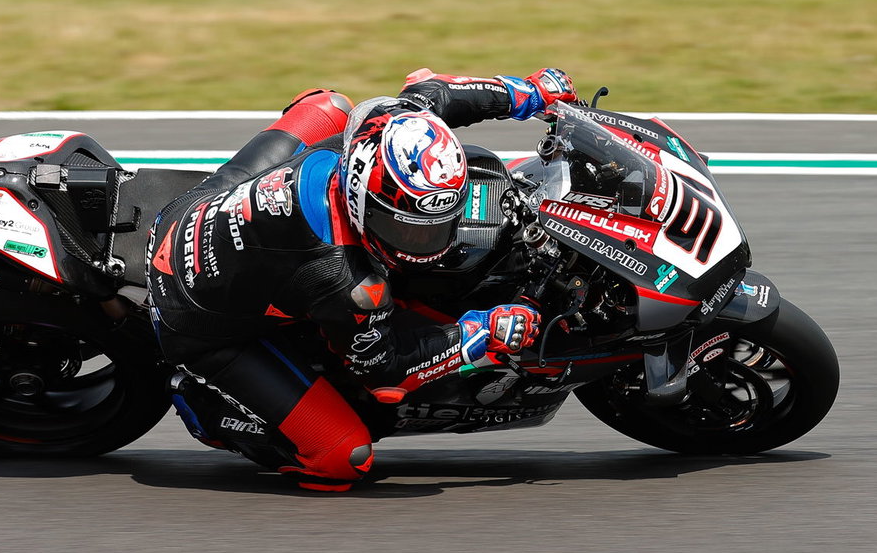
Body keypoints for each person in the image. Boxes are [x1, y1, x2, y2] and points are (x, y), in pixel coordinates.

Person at [145, 67, 577, 491]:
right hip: (196, 319)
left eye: (439, 224)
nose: (431, 243)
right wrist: (481, 332)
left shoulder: (385, 124)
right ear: (360, 197)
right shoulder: (341, 278)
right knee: (343, 458)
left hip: (202, 205)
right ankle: (205, 406)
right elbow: (389, 373)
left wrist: (531, 92)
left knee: (329, 105)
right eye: (408, 229)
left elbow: (439, 91)